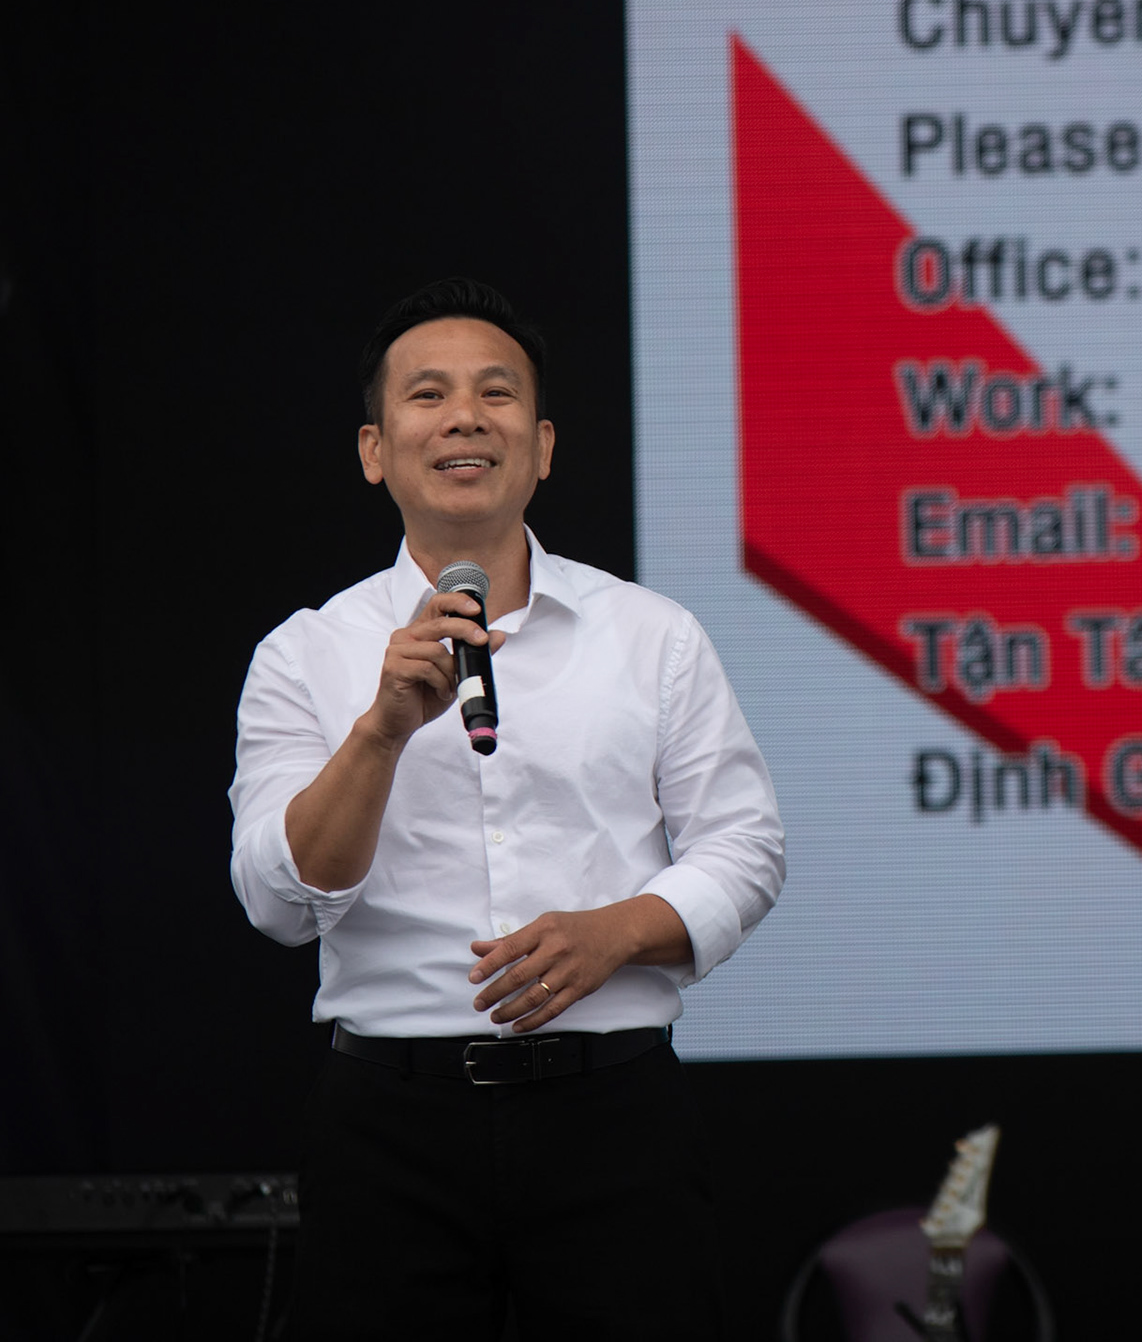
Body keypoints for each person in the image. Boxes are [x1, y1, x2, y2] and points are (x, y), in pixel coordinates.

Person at [230, 278, 784, 1340]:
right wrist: (380, 732)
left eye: (496, 393)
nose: (464, 418)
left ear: (543, 446)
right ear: (374, 450)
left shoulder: (650, 634)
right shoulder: (305, 653)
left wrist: (618, 930)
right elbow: (278, 901)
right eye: (427, 395)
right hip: (392, 1124)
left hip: (612, 1114)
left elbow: (746, 843)